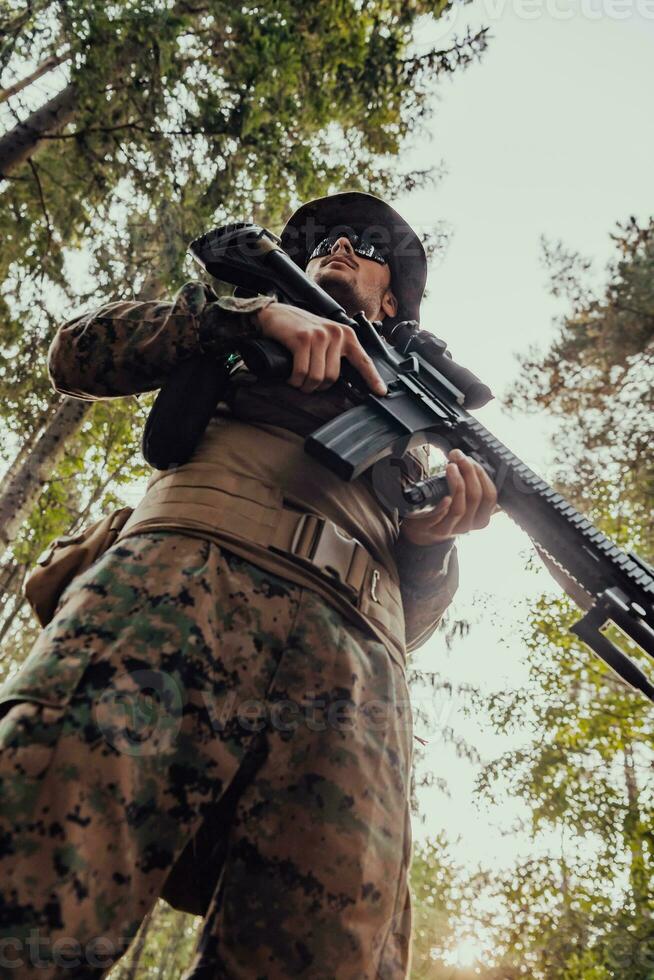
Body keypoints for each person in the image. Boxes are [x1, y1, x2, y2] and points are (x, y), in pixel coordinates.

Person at [0, 192, 497, 979]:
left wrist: (432, 547)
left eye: (366, 245)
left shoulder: (414, 443)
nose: (339, 244)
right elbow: (75, 355)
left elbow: (414, 623)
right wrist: (239, 321)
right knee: (34, 862)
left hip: (354, 678)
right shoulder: (236, 322)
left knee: (328, 951)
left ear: (394, 296)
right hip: (182, 583)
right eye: (325, 238)